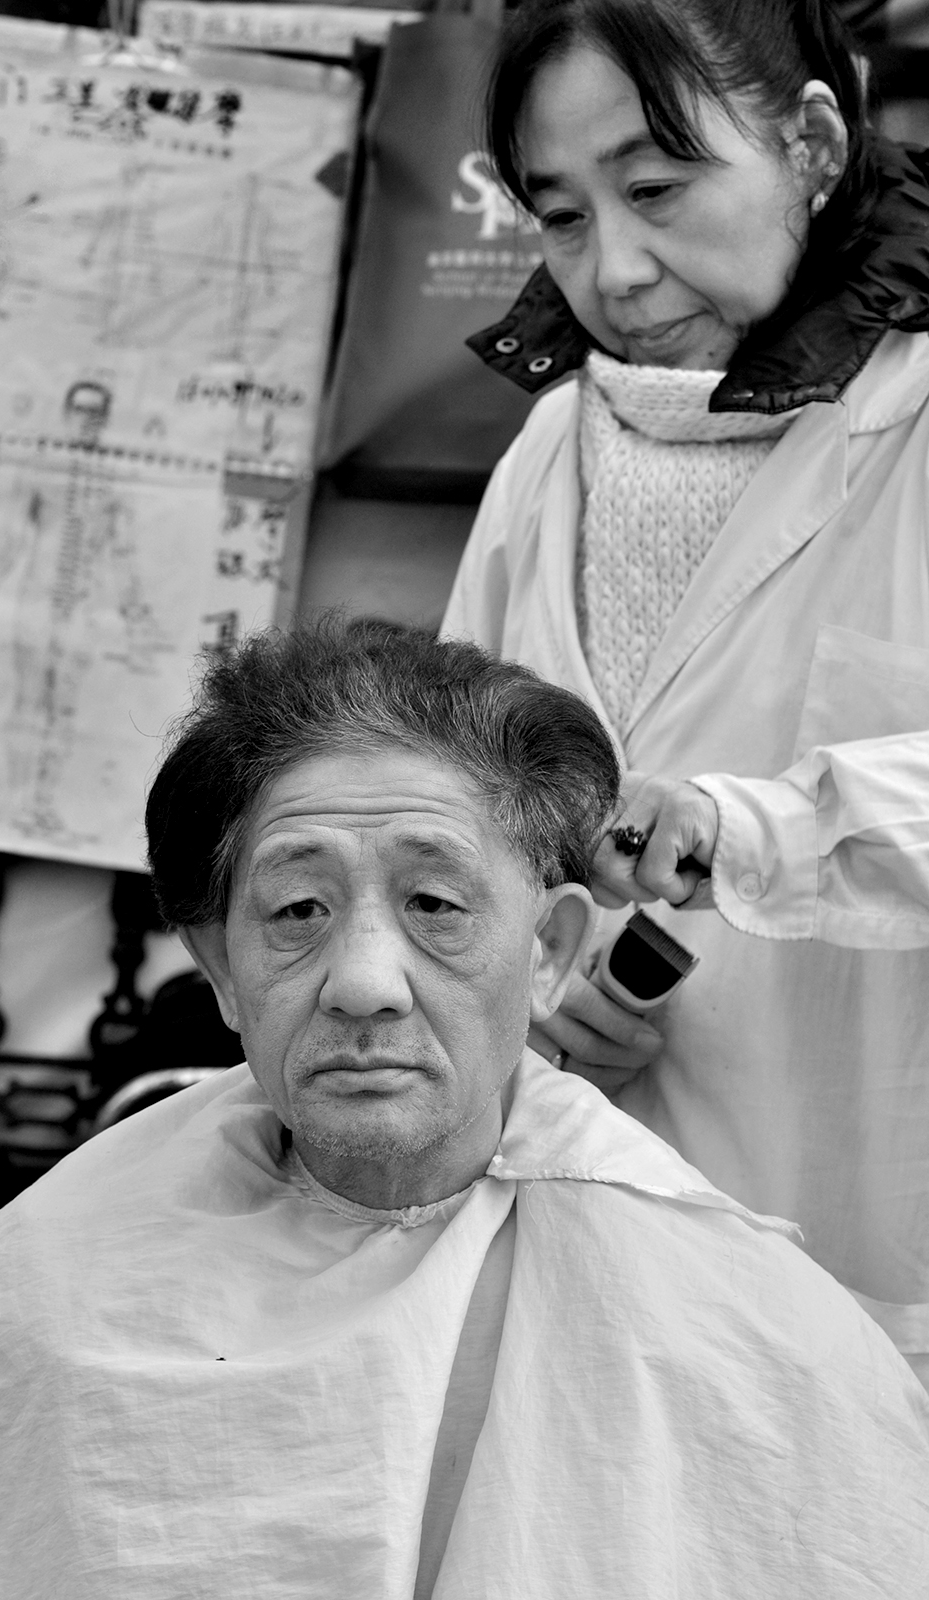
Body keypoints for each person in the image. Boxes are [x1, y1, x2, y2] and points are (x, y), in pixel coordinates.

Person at [0, 620, 927, 1598]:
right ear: (220, 970)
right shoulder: (38, 1293)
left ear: (549, 949)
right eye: (297, 910)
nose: (364, 980)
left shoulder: (752, 1331)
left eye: (435, 905)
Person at [442, 0, 929, 1384]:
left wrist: (758, 827)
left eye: (654, 190)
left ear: (812, 141)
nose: (617, 270)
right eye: (559, 216)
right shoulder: (547, 448)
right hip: (601, 1244)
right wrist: (522, 981)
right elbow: (462, 797)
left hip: (872, 1244)